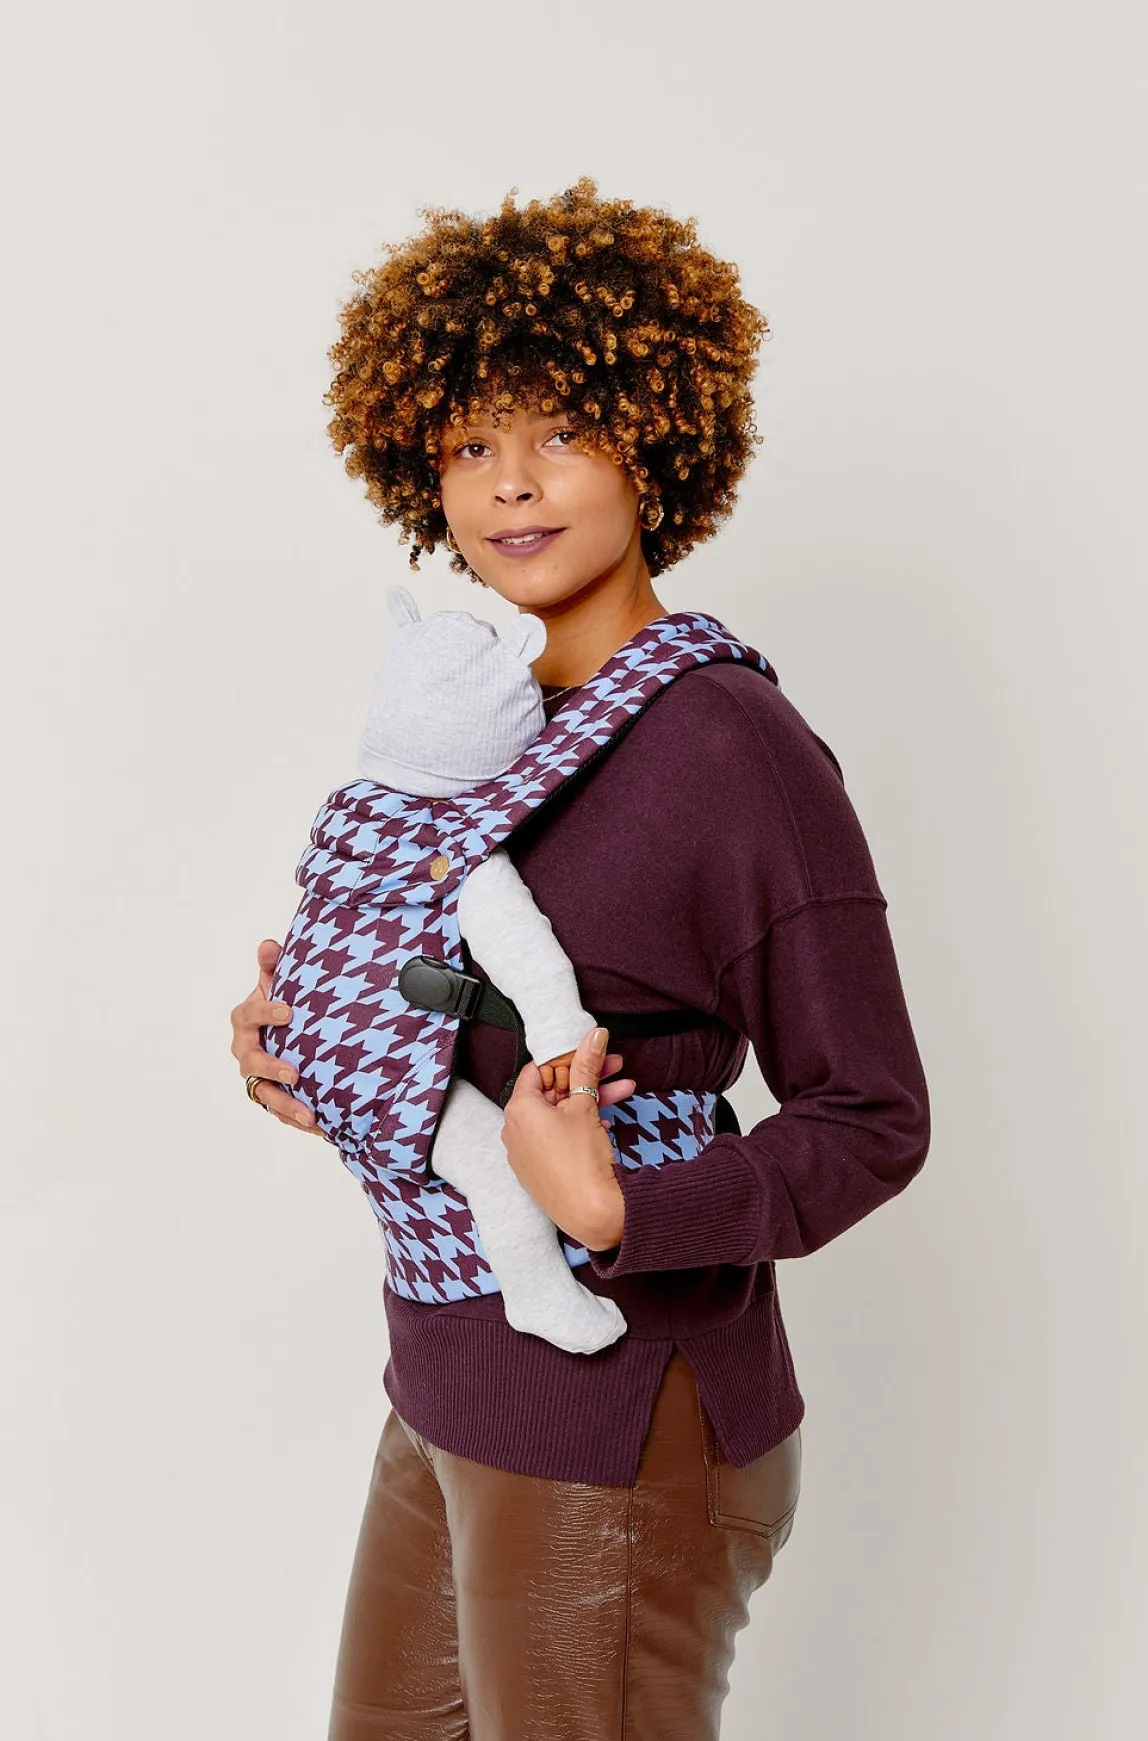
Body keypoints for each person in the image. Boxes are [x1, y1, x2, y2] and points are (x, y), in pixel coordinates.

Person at [229, 177, 931, 1740]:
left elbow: (873, 1115)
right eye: (470, 443)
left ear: (656, 441)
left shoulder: (727, 742)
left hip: (625, 1414)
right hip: (449, 1374)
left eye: (561, 430)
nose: (511, 485)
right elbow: (455, 1002)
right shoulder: (483, 742)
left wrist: (624, 1209)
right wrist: (314, 1044)